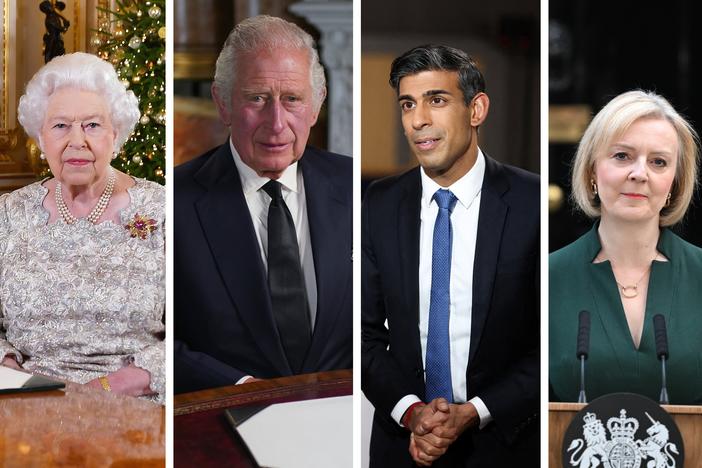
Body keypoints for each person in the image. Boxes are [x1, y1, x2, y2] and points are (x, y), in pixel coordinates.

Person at [362, 45, 539, 467]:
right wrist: (412, 411)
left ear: (476, 109)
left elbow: (547, 345)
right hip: (403, 446)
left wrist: (474, 412)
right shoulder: (379, 202)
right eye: (408, 104)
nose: (418, 120)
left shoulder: (531, 203)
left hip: (503, 444)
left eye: (436, 101)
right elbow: (361, 333)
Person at [174, 15, 352, 393]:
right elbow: (158, 339)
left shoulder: (358, 191)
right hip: (222, 424)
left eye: (292, 100)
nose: (276, 123)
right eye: (257, 98)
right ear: (223, 103)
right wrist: (240, 387)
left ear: (316, 105)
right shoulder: (175, 202)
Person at [0, 52, 165, 403]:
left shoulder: (163, 209)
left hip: (132, 402)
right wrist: (9, 369)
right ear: (41, 138)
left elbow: (193, 331)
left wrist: (101, 390)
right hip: (25, 401)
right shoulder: (8, 214)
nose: (77, 140)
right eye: (60, 126)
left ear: (115, 134)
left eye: (92, 125)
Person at [550, 90, 702, 404]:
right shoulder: (548, 276)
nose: (639, 173)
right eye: (622, 156)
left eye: (658, 162)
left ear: (674, 182)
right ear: (592, 170)